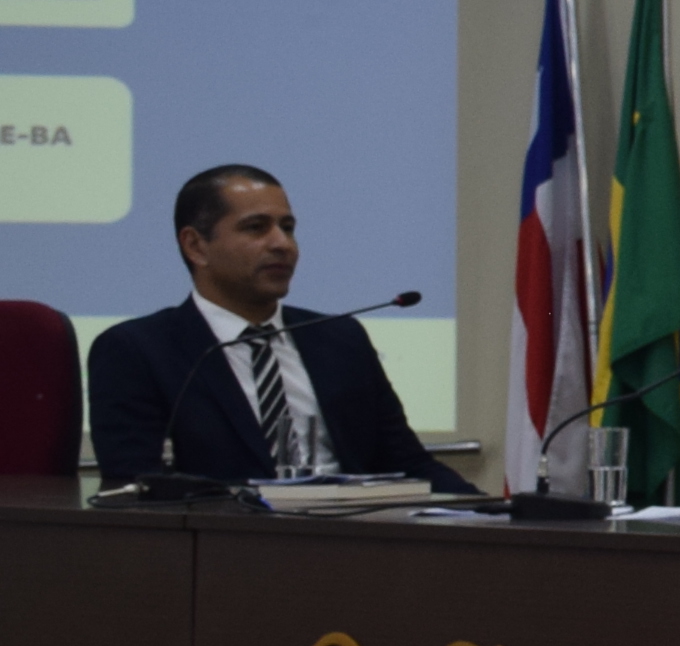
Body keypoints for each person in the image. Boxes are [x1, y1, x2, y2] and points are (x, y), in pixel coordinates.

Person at [84, 164, 472, 490]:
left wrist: (492, 514)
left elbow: (408, 463)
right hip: (224, 546)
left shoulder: (339, 339)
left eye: (287, 227)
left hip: (352, 541)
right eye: (256, 228)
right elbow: (136, 486)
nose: (282, 244)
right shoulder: (137, 350)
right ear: (196, 246)